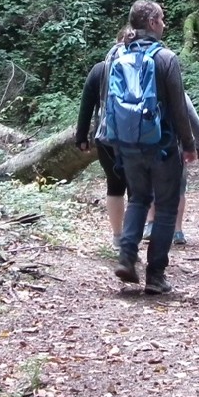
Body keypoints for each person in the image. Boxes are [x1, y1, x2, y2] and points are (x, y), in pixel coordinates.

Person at [101, 0, 196, 295]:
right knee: (166, 207)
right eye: (162, 19)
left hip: (127, 143)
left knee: (139, 199)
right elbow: (179, 108)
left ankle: (127, 257)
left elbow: (108, 101)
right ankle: (155, 275)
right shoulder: (165, 58)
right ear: (153, 22)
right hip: (162, 145)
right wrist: (189, 144)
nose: (164, 24)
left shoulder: (117, 55)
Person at [75, 28, 135, 250]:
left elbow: (86, 105)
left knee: (115, 185)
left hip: (106, 136)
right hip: (139, 136)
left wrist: (82, 137)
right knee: (137, 188)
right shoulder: (143, 65)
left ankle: (118, 236)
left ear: (116, 42)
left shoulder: (100, 69)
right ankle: (134, 237)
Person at [142, 93, 199, 245]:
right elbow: (195, 121)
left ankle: (150, 224)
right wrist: (197, 144)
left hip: (148, 145)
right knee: (179, 188)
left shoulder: (143, 92)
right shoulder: (179, 94)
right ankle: (177, 231)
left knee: (151, 184)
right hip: (175, 145)